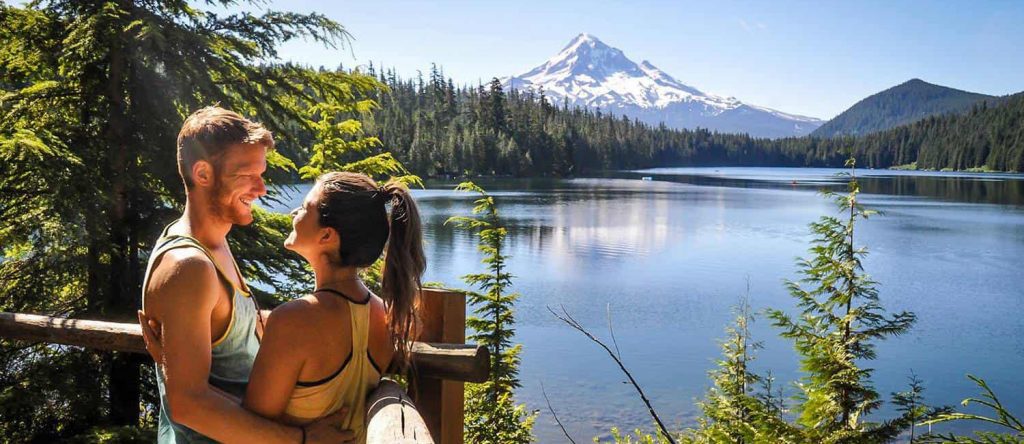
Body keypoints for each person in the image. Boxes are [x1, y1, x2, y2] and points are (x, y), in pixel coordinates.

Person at [138, 106, 353, 443]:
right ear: (203, 173)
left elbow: (236, 331)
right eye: (248, 174)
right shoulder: (188, 266)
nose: (262, 188)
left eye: (262, 173)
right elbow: (188, 404)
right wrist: (301, 439)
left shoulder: (214, 245)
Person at [241, 171, 425, 442]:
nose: (294, 213)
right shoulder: (386, 316)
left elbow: (245, 430)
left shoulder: (294, 320)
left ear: (326, 236)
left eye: (304, 208)